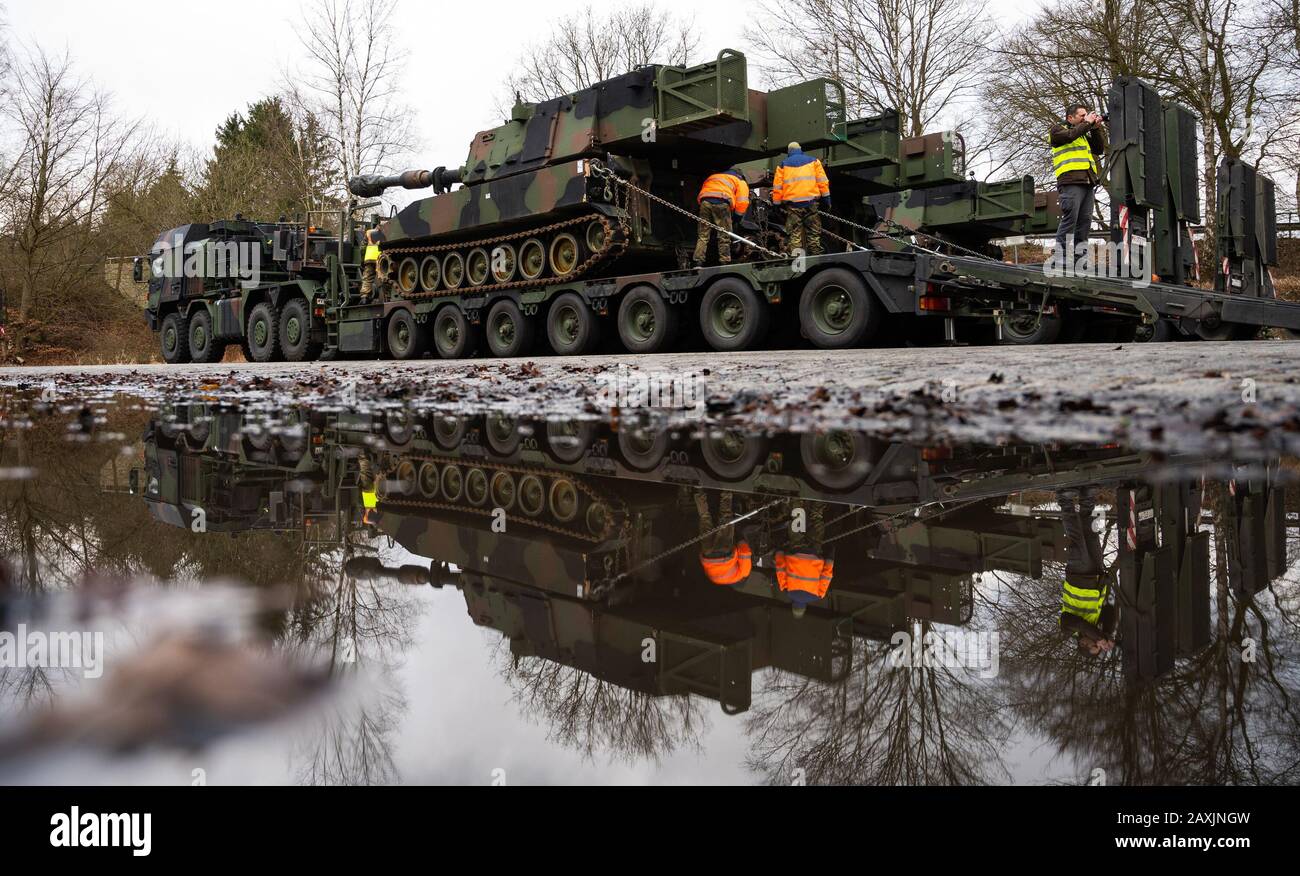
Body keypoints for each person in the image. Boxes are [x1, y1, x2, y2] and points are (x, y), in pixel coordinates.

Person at [1057, 487, 1116, 655]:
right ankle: (1086, 498)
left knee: (1077, 538)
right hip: (1095, 575)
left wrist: (1099, 637)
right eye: (1099, 646)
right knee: (1091, 535)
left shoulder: (1067, 628)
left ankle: (1065, 501)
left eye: (1095, 646)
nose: (1098, 644)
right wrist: (1107, 634)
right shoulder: (1096, 624)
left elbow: (1081, 624)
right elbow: (1110, 610)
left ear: (1083, 643)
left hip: (1078, 575)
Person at [1049, 104, 1106, 263]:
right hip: (1070, 181)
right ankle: (1060, 257)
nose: (1085, 117)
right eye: (1082, 115)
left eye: (1086, 115)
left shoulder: (1082, 135)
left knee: (1085, 222)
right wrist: (1087, 124)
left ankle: (1080, 259)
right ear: (1070, 118)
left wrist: (1095, 129)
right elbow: (1069, 136)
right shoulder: (1057, 130)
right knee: (1070, 219)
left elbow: (1099, 149)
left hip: (1087, 182)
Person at [774, 502, 834, 618]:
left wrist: (830, 557)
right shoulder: (787, 590)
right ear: (793, 605)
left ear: (804, 607)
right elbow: (780, 568)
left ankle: (817, 502)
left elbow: (827, 575)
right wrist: (779, 551)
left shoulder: (818, 594)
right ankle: (797, 498)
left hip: (814, 553)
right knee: (797, 518)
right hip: (796, 551)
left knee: (816, 520)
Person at [771, 141, 830, 256]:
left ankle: (798, 265)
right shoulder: (814, 161)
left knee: (795, 236)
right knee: (813, 235)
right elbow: (823, 182)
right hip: (811, 204)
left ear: (789, 152)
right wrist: (827, 200)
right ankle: (816, 262)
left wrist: (776, 205)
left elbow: (777, 188)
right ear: (800, 149)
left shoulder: (783, 165)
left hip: (793, 207)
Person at [693, 168, 751, 267]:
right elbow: (743, 201)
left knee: (703, 235)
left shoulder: (714, 177)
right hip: (722, 203)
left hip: (704, 202)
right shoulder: (739, 180)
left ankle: (698, 261)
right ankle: (725, 261)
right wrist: (737, 218)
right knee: (724, 234)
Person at [695, 490, 753, 586]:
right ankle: (699, 491)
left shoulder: (743, 575)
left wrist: (740, 539)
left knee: (725, 517)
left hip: (725, 554)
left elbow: (745, 553)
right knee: (704, 519)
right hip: (707, 555)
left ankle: (726, 491)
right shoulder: (714, 580)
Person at [359, 221, 381, 301]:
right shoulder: (385, 233)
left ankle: (364, 297)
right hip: (380, 259)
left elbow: (362, 248)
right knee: (381, 277)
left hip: (369, 258)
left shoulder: (369, 232)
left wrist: (362, 260)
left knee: (367, 278)